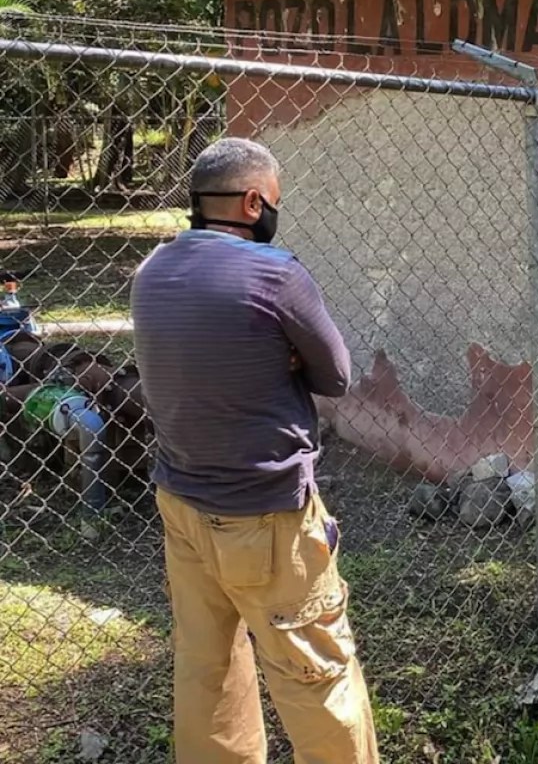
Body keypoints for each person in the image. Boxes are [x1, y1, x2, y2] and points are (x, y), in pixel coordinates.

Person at [131, 138, 378, 763]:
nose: (274, 211)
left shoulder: (152, 270)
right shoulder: (276, 274)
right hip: (267, 516)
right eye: (274, 201)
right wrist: (284, 357)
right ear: (252, 202)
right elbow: (337, 378)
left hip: (180, 501)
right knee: (315, 672)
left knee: (206, 667)